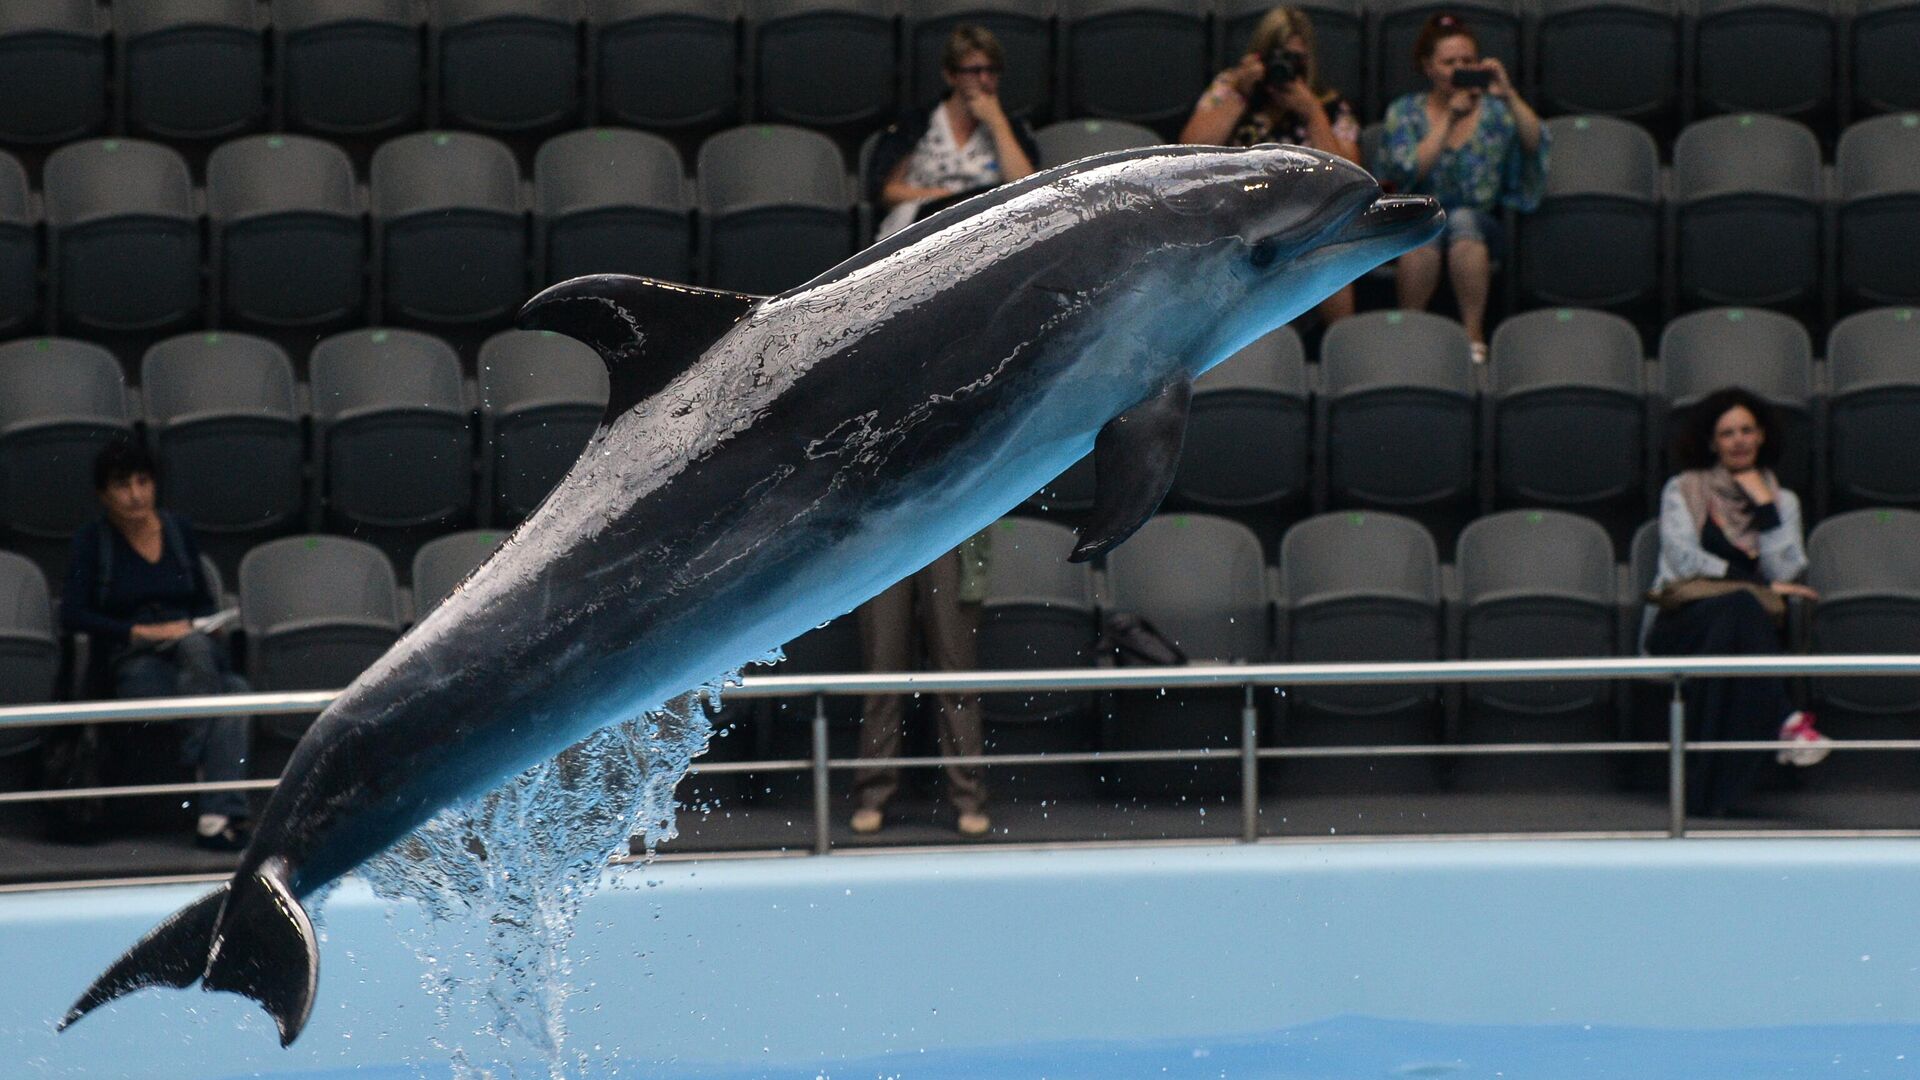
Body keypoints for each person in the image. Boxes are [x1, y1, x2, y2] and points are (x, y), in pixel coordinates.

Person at [1643, 389, 1830, 818]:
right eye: (1727, 433)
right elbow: (1682, 561)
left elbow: (1784, 570)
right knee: (1742, 607)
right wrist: (1754, 586)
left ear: (1762, 436)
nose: (1739, 440)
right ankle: (1783, 720)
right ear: (1712, 443)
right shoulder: (1685, 489)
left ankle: (1707, 796)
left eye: (1747, 430)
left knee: (1740, 613)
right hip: (1682, 622)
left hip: (1740, 632)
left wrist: (1765, 507)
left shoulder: (1782, 501)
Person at [60, 440, 254, 851]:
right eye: (122, 485)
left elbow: (201, 600)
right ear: (103, 495)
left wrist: (201, 624)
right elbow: (73, 615)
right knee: (231, 694)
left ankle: (212, 811)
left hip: (189, 651)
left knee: (220, 673)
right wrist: (143, 633)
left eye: (143, 482)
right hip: (134, 660)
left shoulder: (178, 531)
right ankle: (215, 802)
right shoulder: (93, 541)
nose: (135, 494)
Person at [1374, 13, 1550, 362]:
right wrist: (1450, 119)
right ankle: (1410, 331)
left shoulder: (1496, 113)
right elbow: (1403, 173)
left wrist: (1508, 93)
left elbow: (1536, 143)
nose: (1459, 68)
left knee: (1463, 221)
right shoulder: (1404, 112)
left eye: (1468, 61)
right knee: (1424, 227)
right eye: (1449, 62)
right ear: (1428, 67)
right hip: (1420, 216)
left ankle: (1473, 334)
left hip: (1481, 223)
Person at [1180, 6, 1364, 325]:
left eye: (1295, 59)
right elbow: (1187, 151)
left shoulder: (1326, 102)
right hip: (1238, 213)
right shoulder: (1232, 87)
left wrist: (1312, 113)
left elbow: (1352, 177)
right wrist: (1241, 94)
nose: (1284, 67)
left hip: (1306, 215)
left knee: (1331, 253)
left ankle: (1342, 341)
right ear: (1258, 57)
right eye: (1277, 57)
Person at [849, 534, 992, 838]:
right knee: (881, 677)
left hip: (954, 531)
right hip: (887, 533)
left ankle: (969, 797)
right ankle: (872, 795)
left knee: (957, 680)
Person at [869, 24, 1038, 239]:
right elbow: (887, 192)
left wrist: (998, 124)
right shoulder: (917, 123)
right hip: (919, 227)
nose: (984, 80)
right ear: (951, 75)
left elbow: (1027, 190)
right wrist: (947, 198)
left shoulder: (1012, 127)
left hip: (987, 232)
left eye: (992, 71)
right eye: (974, 71)